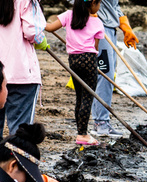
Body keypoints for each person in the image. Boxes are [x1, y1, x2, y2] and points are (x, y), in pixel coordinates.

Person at [46, 0, 105, 146]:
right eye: (99, 4)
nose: (99, 7)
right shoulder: (97, 22)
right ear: (92, 3)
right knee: (87, 97)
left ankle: (81, 132)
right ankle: (82, 134)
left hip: (73, 61)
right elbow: (95, 47)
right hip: (89, 60)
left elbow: (49, 28)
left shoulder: (68, 15)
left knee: (80, 96)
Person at [0, 0, 49, 135]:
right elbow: (33, 32)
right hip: (21, 74)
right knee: (20, 134)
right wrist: (41, 39)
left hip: (2, 73)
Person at [91, 0, 139, 137]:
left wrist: (125, 26)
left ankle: (100, 121)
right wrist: (89, 13)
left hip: (111, 29)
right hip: (98, 28)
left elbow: (114, 6)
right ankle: (101, 123)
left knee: (108, 75)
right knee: (105, 75)